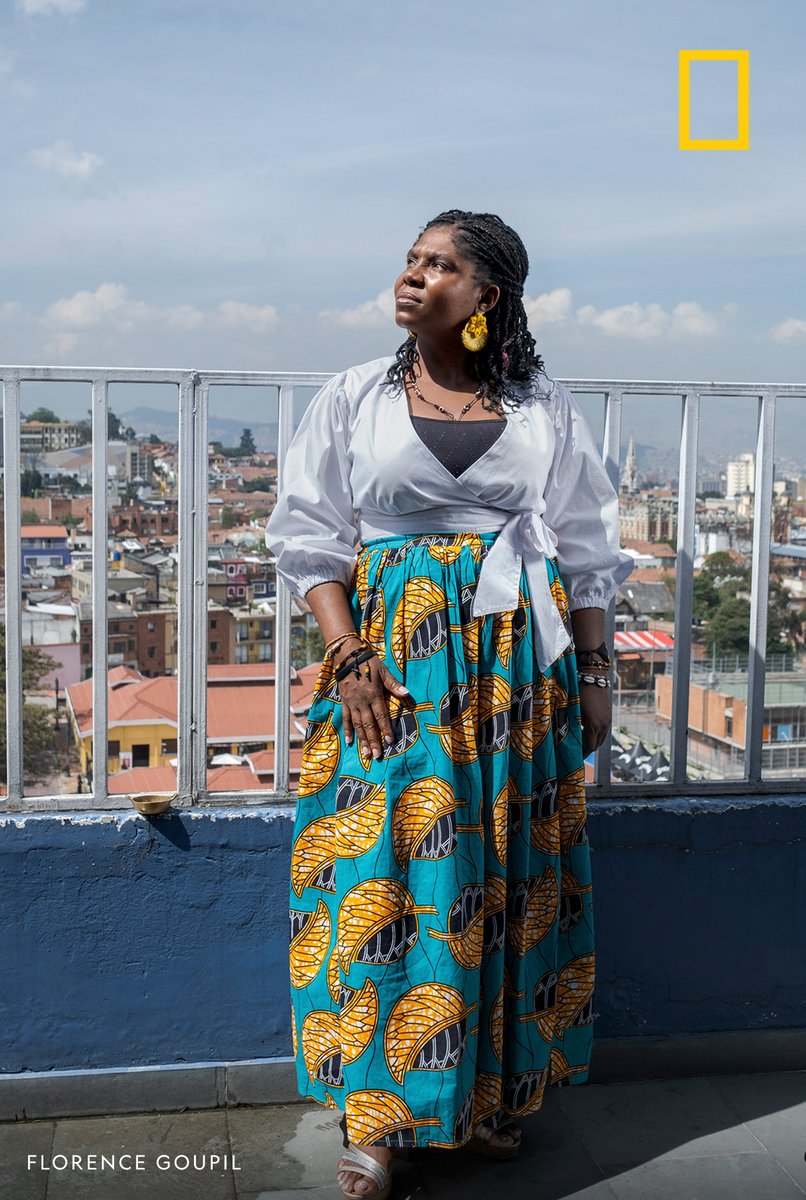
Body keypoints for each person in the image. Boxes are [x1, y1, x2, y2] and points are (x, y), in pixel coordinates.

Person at [265, 210, 633, 1200]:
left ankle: (480, 1103)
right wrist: (346, 656)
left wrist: (595, 676)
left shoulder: (540, 406)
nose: (411, 277)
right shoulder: (353, 397)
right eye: (409, 260)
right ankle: (379, 1117)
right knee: (383, 871)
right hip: (395, 667)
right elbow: (309, 540)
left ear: (486, 296)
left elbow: (586, 544)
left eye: (439, 265)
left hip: (519, 665)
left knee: (505, 871)